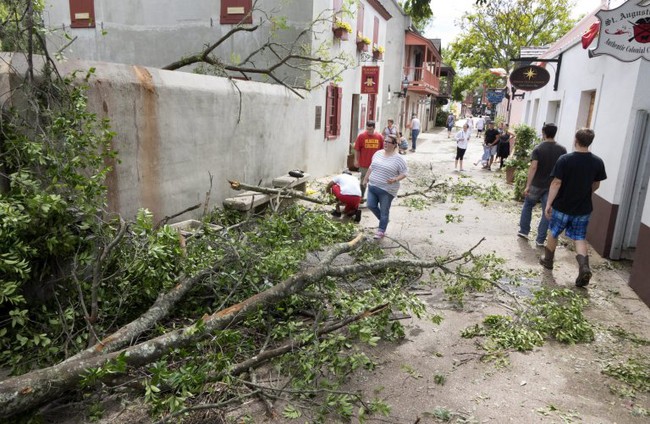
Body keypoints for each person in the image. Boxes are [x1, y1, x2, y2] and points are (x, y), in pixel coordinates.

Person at [540, 128, 607, 288]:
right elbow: (596, 184)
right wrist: (584, 192)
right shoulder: (597, 161)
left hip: (562, 206)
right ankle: (584, 267)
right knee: (579, 237)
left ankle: (548, 261)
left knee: (554, 232)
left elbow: (556, 183)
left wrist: (549, 203)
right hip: (583, 208)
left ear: (576, 139)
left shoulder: (565, 160)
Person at [517, 123, 566, 247]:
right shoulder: (562, 150)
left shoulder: (538, 148)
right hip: (551, 186)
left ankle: (524, 231)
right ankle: (540, 239)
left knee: (528, 205)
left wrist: (528, 185)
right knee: (547, 211)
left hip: (536, 184)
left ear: (544, 133)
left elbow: (533, 167)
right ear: (555, 133)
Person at [362, 135, 408, 239]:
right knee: (370, 205)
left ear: (394, 145)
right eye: (385, 141)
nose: (385, 143)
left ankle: (381, 230)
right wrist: (365, 179)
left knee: (384, 211)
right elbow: (371, 167)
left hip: (387, 190)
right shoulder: (378, 153)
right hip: (373, 186)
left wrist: (395, 179)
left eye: (388, 142)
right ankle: (384, 220)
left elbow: (405, 173)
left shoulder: (399, 159)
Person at [354, 120, 384, 201]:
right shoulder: (361, 136)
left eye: (370, 129)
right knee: (363, 180)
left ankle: (373, 198)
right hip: (364, 163)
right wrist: (356, 160)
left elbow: (383, 151)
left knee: (375, 182)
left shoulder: (380, 137)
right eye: (367, 129)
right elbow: (357, 149)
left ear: (374, 128)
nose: (369, 131)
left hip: (376, 164)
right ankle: (361, 197)